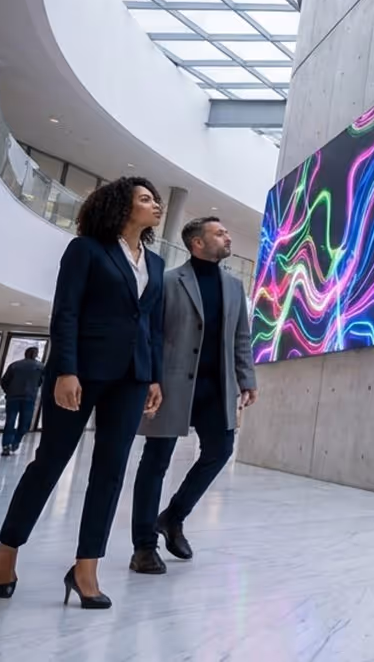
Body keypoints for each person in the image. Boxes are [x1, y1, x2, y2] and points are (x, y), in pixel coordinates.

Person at [0, 178, 165, 610]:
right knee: (49, 463)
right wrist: (66, 369)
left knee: (110, 471)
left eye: (155, 199)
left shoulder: (154, 264)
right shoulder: (86, 250)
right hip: (82, 371)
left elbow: (152, 326)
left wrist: (153, 376)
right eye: (145, 199)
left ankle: (86, 567)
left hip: (132, 377)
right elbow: (66, 311)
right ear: (122, 207)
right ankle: (6, 549)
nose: (155, 204)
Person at [130, 216, 258, 574]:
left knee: (220, 450)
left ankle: (173, 516)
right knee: (156, 461)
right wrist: (152, 379)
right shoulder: (169, 281)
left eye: (226, 230)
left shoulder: (234, 287)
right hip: (171, 388)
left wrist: (247, 378)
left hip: (217, 388)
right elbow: (151, 333)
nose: (227, 236)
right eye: (220, 233)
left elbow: (240, 338)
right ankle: (143, 547)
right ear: (197, 243)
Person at [0, 346, 45, 456]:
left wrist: (8, 391)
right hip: (29, 398)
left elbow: (4, 381)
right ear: (36, 354)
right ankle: (16, 442)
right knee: (25, 423)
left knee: (10, 421)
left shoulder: (14, 365)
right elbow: (41, 382)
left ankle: (6, 445)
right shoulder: (40, 367)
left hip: (13, 397)